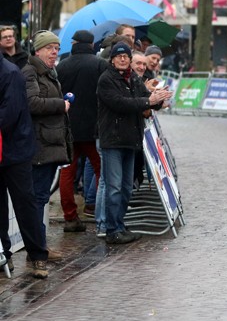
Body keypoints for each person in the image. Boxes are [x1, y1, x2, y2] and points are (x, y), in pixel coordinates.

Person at [97, 43, 172, 245]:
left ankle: (120, 225)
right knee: (113, 187)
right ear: (112, 59)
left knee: (126, 187)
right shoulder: (106, 79)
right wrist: (150, 101)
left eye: (126, 56)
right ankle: (112, 229)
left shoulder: (134, 79)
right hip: (113, 140)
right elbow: (120, 103)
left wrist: (159, 99)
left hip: (131, 140)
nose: (123, 59)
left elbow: (144, 99)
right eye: (119, 56)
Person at [22, 30, 72, 265]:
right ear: (38, 50)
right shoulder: (30, 72)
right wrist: (60, 105)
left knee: (41, 198)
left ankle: (40, 246)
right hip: (40, 145)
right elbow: (31, 103)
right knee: (38, 198)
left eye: (57, 48)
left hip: (50, 143)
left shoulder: (49, 72)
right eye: (50, 48)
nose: (54, 52)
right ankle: (37, 249)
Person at [0, 53, 50, 278]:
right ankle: (4, 256)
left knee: (25, 203)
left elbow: (8, 114)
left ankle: (38, 256)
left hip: (15, 150)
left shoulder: (10, 73)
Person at [56, 30, 106, 232]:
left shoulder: (62, 65)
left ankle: (70, 217)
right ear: (92, 44)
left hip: (68, 128)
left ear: (74, 43)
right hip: (94, 128)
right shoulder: (99, 64)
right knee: (102, 171)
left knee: (67, 173)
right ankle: (102, 214)